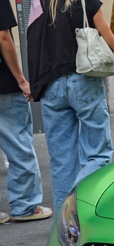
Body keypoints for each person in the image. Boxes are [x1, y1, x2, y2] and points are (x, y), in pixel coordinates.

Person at [27, 0, 114, 213]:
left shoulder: (38, 5)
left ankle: (64, 222)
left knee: (62, 162)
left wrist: (34, 84)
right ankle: (78, 205)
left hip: (50, 86)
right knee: (97, 154)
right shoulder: (86, 2)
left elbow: (32, 43)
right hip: (83, 79)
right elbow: (112, 43)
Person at [0, 0, 52, 224]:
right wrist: (21, 80)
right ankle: (24, 205)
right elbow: (3, 37)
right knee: (18, 144)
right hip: (3, 87)